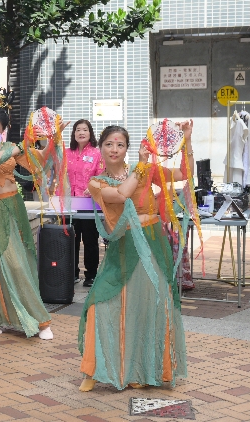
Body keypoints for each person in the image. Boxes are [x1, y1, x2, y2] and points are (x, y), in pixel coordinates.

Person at [78, 122, 192, 392]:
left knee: (149, 305)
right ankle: (94, 368)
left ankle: (143, 369)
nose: (114, 149)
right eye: (108, 144)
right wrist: (141, 166)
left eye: (120, 144)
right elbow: (121, 194)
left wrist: (186, 141)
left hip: (152, 242)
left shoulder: (145, 170)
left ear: (126, 148)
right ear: (100, 149)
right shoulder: (97, 182)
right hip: (124, 246)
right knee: (99, 304)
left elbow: (183, 173)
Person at [0, 89, 68, 340]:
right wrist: (21, 146)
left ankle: (39, 320)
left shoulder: (12, 147)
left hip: (13, 206)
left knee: (20, 261)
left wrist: (53, 138)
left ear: (3, 130)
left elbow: (40, 163)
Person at [64, 119, 103, 287]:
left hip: (89, 203)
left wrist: (93, 187)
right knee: (70, 238)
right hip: (69, 203)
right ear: (74, 134)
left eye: (84, 130)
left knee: (90, 240)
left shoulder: (97, 153)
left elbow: (101, 176)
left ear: (90, 133)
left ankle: (91, 274)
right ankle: (72, 273)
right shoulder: (66, 153)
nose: (81, 132)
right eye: (78, 129)